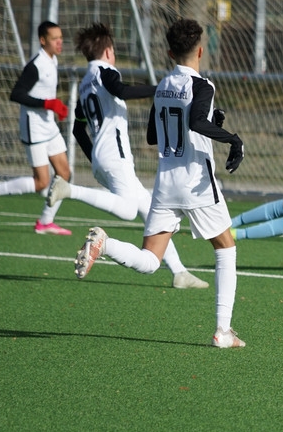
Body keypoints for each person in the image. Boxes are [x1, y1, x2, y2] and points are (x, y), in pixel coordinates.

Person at [73, 18, 246, 348]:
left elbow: (154, 135)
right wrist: (232, 139)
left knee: (151, 260)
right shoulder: (203, 85)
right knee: (226, 248)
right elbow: (195, 122)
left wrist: (211, 121)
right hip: (195, 182)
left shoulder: (164, 84)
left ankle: (105, 244)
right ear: (200, 50)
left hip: (165, 185)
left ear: (169, 53)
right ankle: (223, 331)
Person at [44, 22, 207, 290]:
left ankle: (179, 272)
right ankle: (70, 190)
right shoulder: (106, 71)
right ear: (108, 51)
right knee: (130, 210)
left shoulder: (85, 82)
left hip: (101, 158)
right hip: (114, 155)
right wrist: (159, 88)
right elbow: (121, 90)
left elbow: (77, 128)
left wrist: (95, 157)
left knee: (150, 210)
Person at [0, 20, 72, 235]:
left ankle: (45, 221)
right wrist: (48, 104)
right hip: (34, 128)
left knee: (64, 173)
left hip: (49, 126)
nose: (59, 42)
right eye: (54, 39)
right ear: (43, 40)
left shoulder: (53, 60)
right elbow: (16, 94)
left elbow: (45, 95)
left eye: (61, 38)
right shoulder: (35, 65)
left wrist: (56, 107)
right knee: (41, 182)